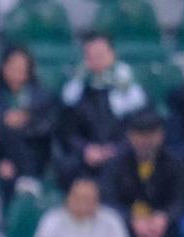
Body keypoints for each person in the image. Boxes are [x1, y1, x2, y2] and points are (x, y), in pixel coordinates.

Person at [56, 33, 148, 186]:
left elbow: (139, 127)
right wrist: (86, 149)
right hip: (85, 157)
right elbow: (67, 131)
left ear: (112, 54)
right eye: (91, 56)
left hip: (123, 154)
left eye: (100, 55)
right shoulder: (77, 89)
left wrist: (114, 150)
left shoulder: (131, 90)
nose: (96, 60)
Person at [0, 47, 56, 203]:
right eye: (12, 67)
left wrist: (25, 122)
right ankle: (25, 180)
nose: (17, 72)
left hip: (34, 155)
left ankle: (25, 177)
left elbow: (48, 127)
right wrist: (3, 121)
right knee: (5, 134)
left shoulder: (42, 95)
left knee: (14, 137)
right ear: (3, 67)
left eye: (22, 68)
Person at [104, 110, 184, 237]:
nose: (146, 141)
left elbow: (181, 198)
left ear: (161, 136)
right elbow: (109, 200)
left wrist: (163, 218)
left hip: (163, 223)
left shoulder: (174, 162)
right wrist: (132, 219)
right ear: (130, 136)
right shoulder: (116, 163)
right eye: (140, 135)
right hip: (128, 223)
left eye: (151, 135)